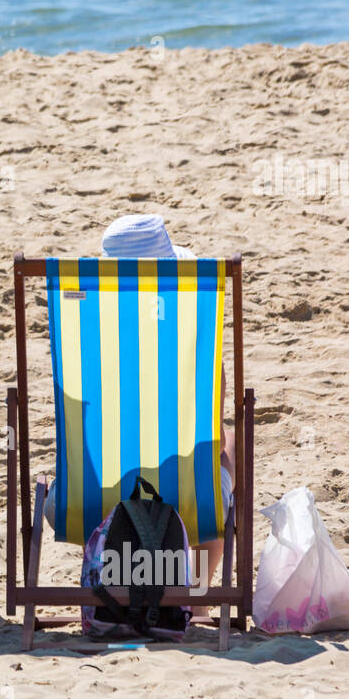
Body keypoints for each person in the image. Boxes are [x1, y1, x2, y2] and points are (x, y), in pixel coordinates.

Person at [98, 214, 235, 589]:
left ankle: (103, 585)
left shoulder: (88, 333)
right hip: (186, 494)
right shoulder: (192, 335)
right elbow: (213, 436)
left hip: (93, 497)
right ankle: (196, 593)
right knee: (229, 445)